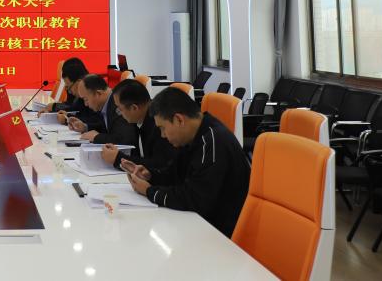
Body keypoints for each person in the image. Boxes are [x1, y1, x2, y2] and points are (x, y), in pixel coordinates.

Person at [125, 87, 250, 237]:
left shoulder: (213, 142)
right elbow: (176, 174)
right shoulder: (193, 135)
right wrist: (151, 176)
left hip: (220, 233)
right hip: (201, 223)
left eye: (162, 128)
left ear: (179, 120)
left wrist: (149, 191)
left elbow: (194, 199)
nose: (163, 135)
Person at [103, 81, 175, 170]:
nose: (119, 113)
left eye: (120, 109)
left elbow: (158, 166)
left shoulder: (158, 125)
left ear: (134, 108)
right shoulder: (140, 118)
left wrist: (118, 158)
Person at [67, 73, 137, 146]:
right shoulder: (106, 103)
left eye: (86, 99)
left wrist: (96, 137)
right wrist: (85, 127)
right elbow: (106, 128)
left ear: (98, 93)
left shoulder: (117, 104)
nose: (86, 104)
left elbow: (124, 138)